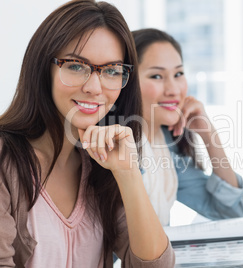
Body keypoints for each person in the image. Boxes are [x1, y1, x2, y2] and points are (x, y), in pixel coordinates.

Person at [0, 1, 174, 267]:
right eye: (76, 66)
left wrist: (128, 175)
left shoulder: (102, 163)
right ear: (43, 68)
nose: (95, 87)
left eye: (112, 71)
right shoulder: (6, 159)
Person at [131, 28, 243, 226]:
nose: (174, 89)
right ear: (126, 80)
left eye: (178, 73)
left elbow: (229, 212)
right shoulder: (116, 145)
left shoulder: (166, 142)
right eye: (157, 76)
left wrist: (209, 134)